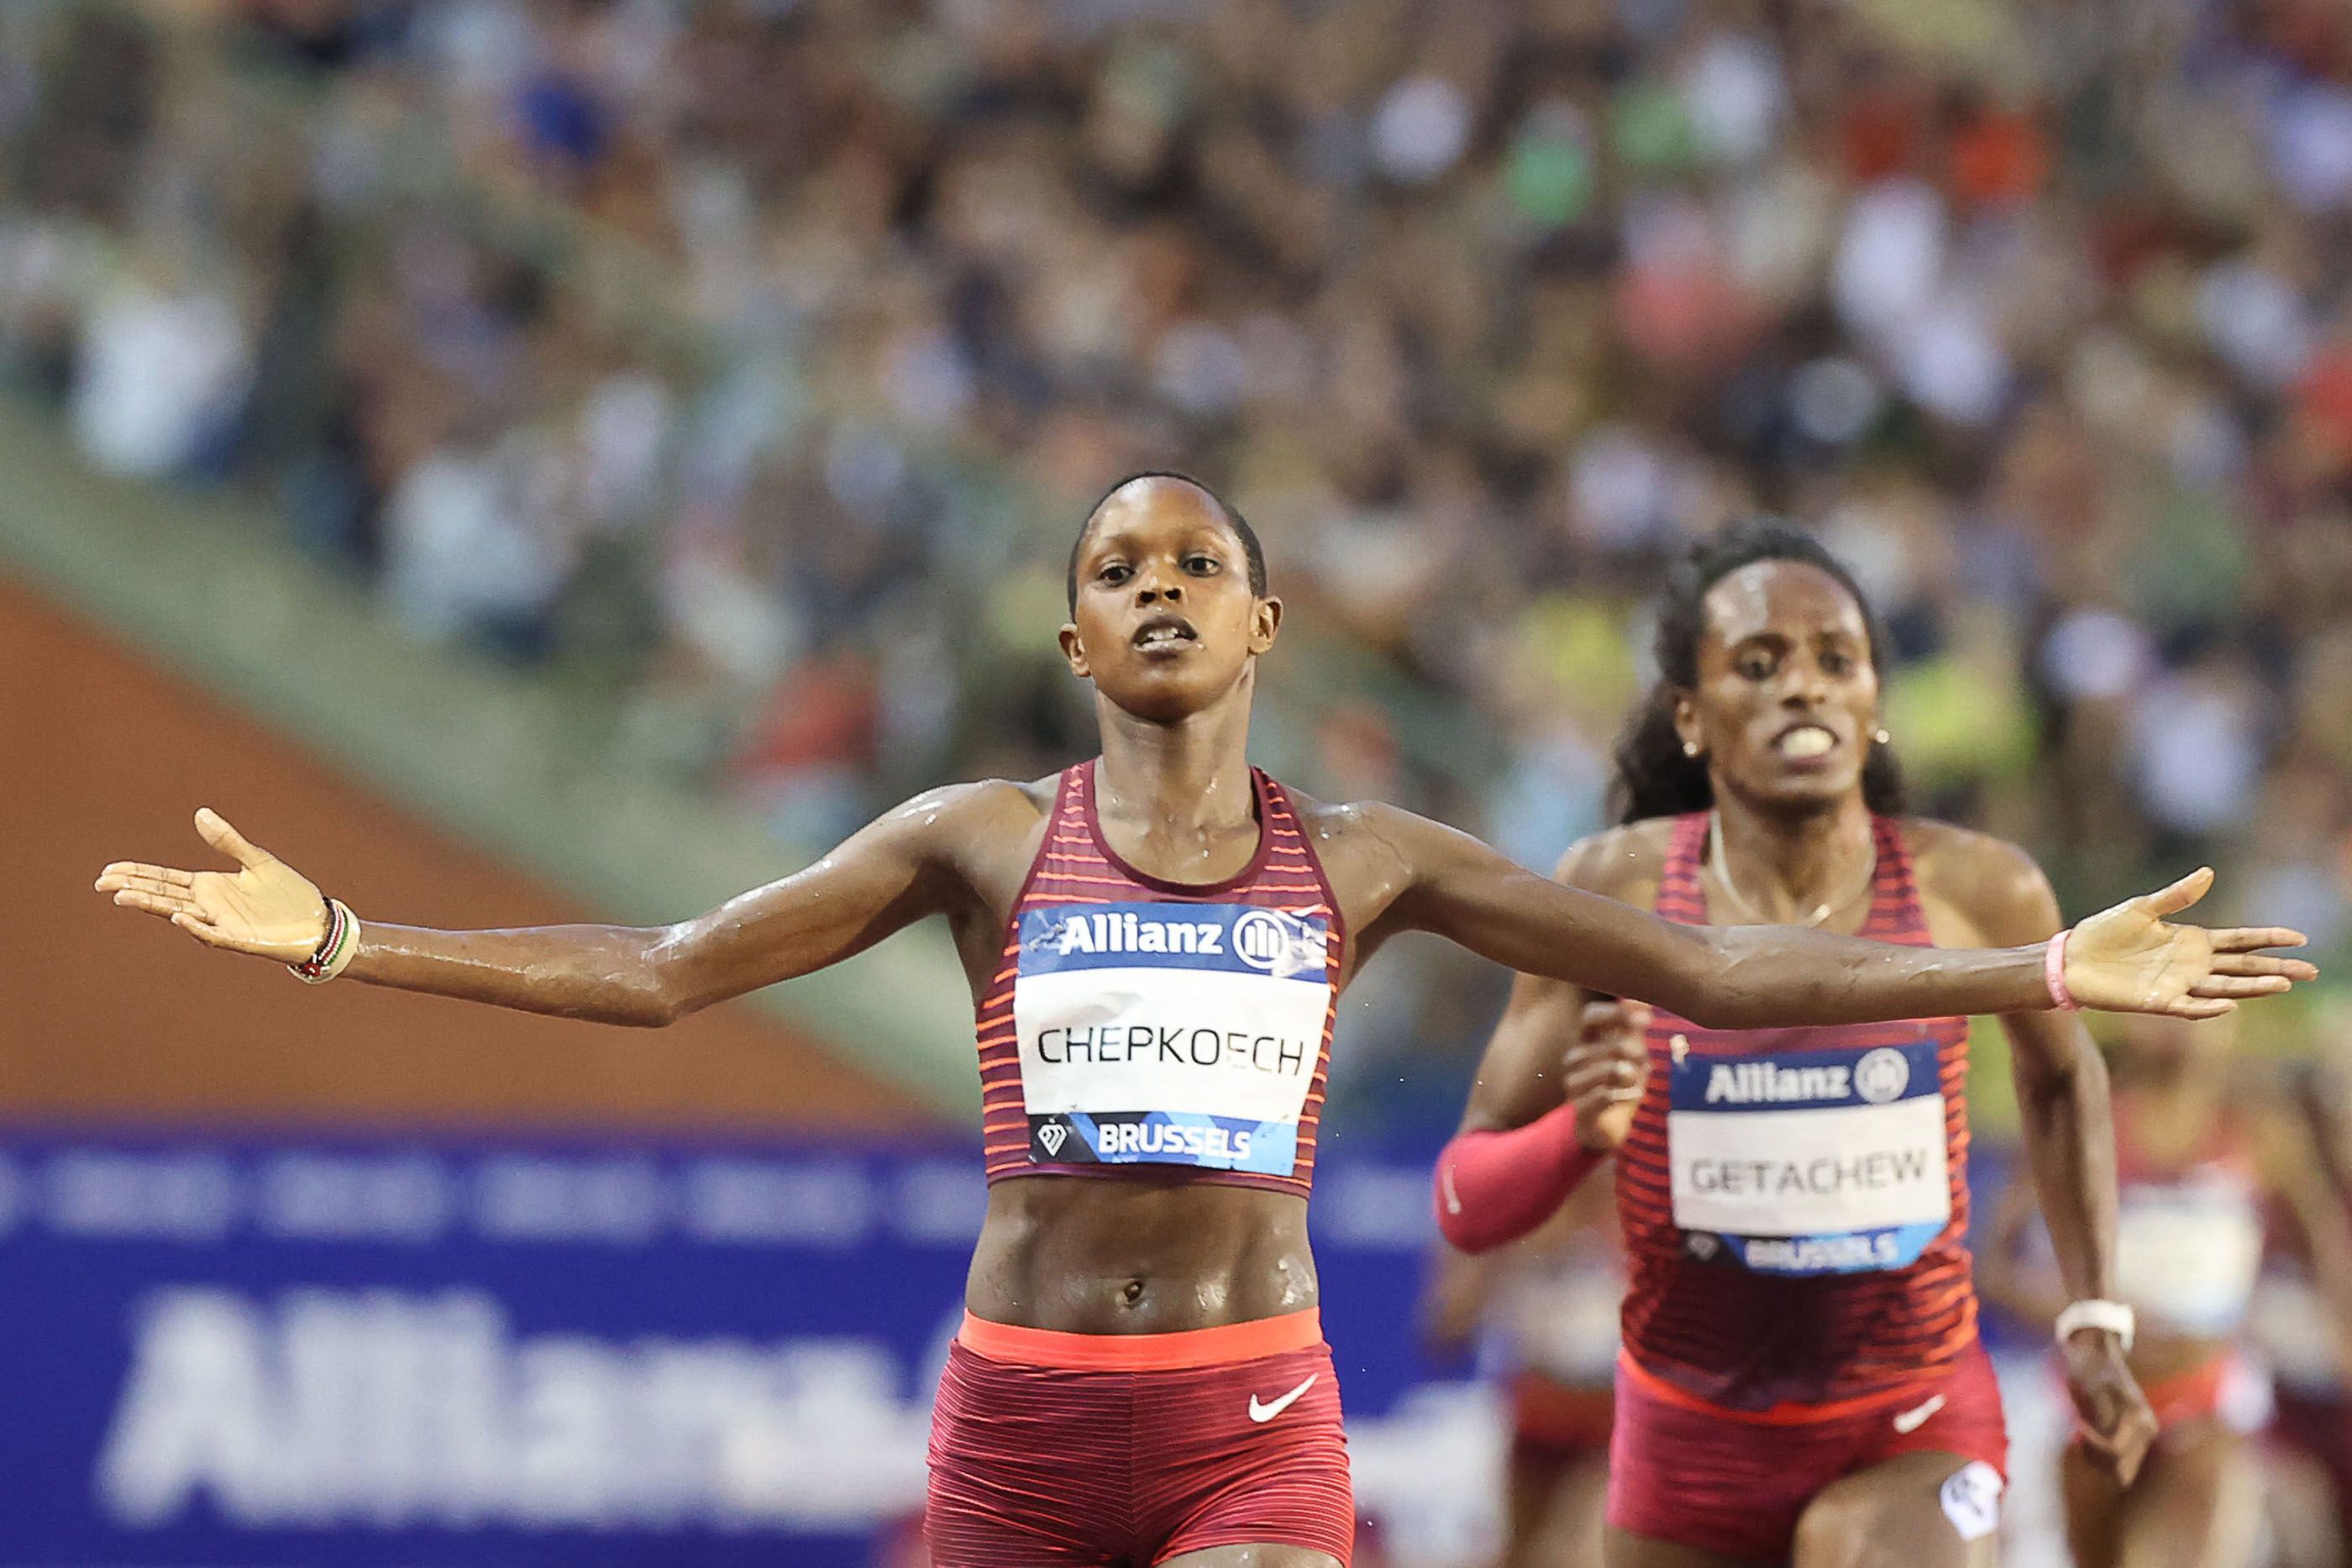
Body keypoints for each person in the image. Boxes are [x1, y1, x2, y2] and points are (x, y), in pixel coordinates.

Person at [97, 480, 2310, 1568]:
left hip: (1256, 1410)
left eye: (1196, 557)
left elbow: (1726, 972)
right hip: (1020, 1417)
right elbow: (674, 967)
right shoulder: (974, 837)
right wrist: (345, 942)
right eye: (1116, 562)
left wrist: (2024, 973)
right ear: (1074, 629)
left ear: (1262, 616)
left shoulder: (1368, 858)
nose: (1157, 579)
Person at [1428, 517, 2291, 1568]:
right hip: (1686, 1446)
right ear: (1692, 717)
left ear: (1874, 700)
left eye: (1836, 659)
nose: (1804, 686)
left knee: (1860, 1549)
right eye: (1760, 663)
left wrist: (2093, 1312)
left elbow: (2065, 1083)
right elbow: (1468, 1202)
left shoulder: (1977, 887)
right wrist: (1577, 1134)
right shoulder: (1608, 891)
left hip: (1914, 1422)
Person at [1982, 1013, 2352, 1568]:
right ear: (2130, 1017)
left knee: (2200, 1525)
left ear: (2229, 1021)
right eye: (2164, 1010)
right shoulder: (2085, 1119)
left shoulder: (2258, 1127)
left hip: (2213, 1392)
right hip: (2092, 1396)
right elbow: (1994, 1265)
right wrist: (2088, 1313)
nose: (2182, 1027)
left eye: (2204, 1010)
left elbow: (2325, 1254)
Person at [1420, 1158, 1622, 1568]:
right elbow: (1444, 1332)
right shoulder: (1514, 1216)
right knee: (1521, 1554)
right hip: (1537, 1412)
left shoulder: (1632, 1213)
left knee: (1576, 1550)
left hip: (1615, 1420)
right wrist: (1489, 1250)